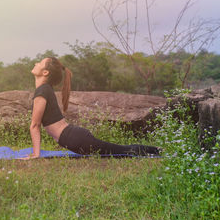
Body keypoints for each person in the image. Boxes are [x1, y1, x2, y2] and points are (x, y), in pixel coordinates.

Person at [19, 57, 160, 160]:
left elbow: (35, 125)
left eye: (40, 63)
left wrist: (36, 154)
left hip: (75, 138)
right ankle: (156, 150)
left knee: (121, 151)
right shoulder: (44, 89)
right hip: (74, 136)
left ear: (45, 73)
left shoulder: (42, 91)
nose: (35, 63)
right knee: (119, 150)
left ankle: (157, 151)